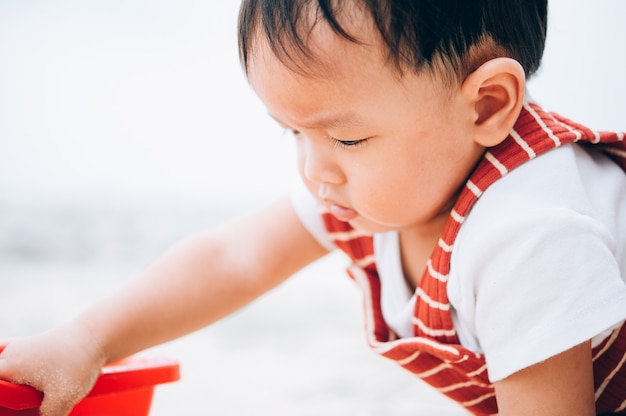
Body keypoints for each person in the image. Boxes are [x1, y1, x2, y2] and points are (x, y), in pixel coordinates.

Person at [1, 1, 625, 415]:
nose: (314, 169)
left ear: (488, 105)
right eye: (292, 132)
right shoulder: (369, 186)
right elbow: (233, 258)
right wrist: (85, 341)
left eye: (346, 139)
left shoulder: (527, 235)